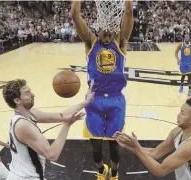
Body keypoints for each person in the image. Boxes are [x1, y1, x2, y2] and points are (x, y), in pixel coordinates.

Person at [71, 0, 133, 179]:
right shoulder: (91, 42)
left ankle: (114, 171)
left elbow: (128, 13)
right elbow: (75, 16)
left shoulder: (121, 42)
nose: (106, 31)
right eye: (102, 28)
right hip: (94, 99)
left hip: (116, 100)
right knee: (95, 148)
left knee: (115, 146)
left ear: (115, 29)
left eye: (110, 28)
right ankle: (100, 170)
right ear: (96, 29)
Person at [2, 79, 94, 180]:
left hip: (23, 175)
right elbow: (52, 155)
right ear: (17, 100)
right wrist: (67, 125)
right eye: (27, 93)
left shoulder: (29, 113)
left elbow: (63, 115)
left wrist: (86, 102)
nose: (33, 95)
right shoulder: (23, 125)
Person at [113, 97, 191, 180]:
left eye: (182, 113)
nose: (178, 115)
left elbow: (160, 170)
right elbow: (155, 153)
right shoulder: (177, 132)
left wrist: (137, 147)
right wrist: (129, 145)